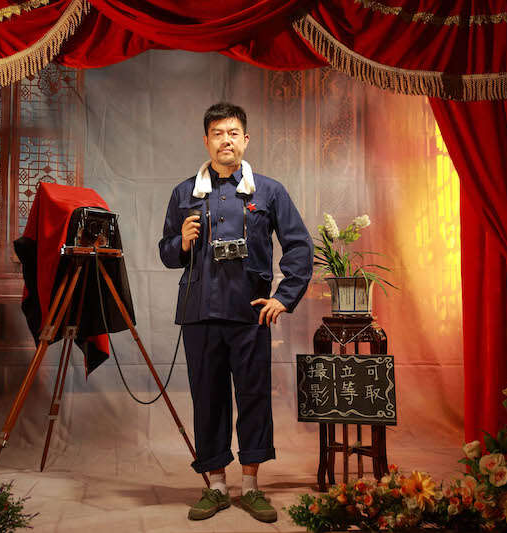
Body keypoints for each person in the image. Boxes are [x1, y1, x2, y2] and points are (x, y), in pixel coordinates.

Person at [158, 102, 313, 522]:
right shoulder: (185, 193)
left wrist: (284, 297)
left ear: (245, 139)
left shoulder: (269, 191)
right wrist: (182, 242)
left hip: (251, 313)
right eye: (217, 133)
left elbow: (299, 246)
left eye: (232, 133)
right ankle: (215, 487)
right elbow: (166, 253)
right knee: (208, 400)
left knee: (254, 397)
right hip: (199, 313)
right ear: (205, 141)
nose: (225, 140)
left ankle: (251, 487)